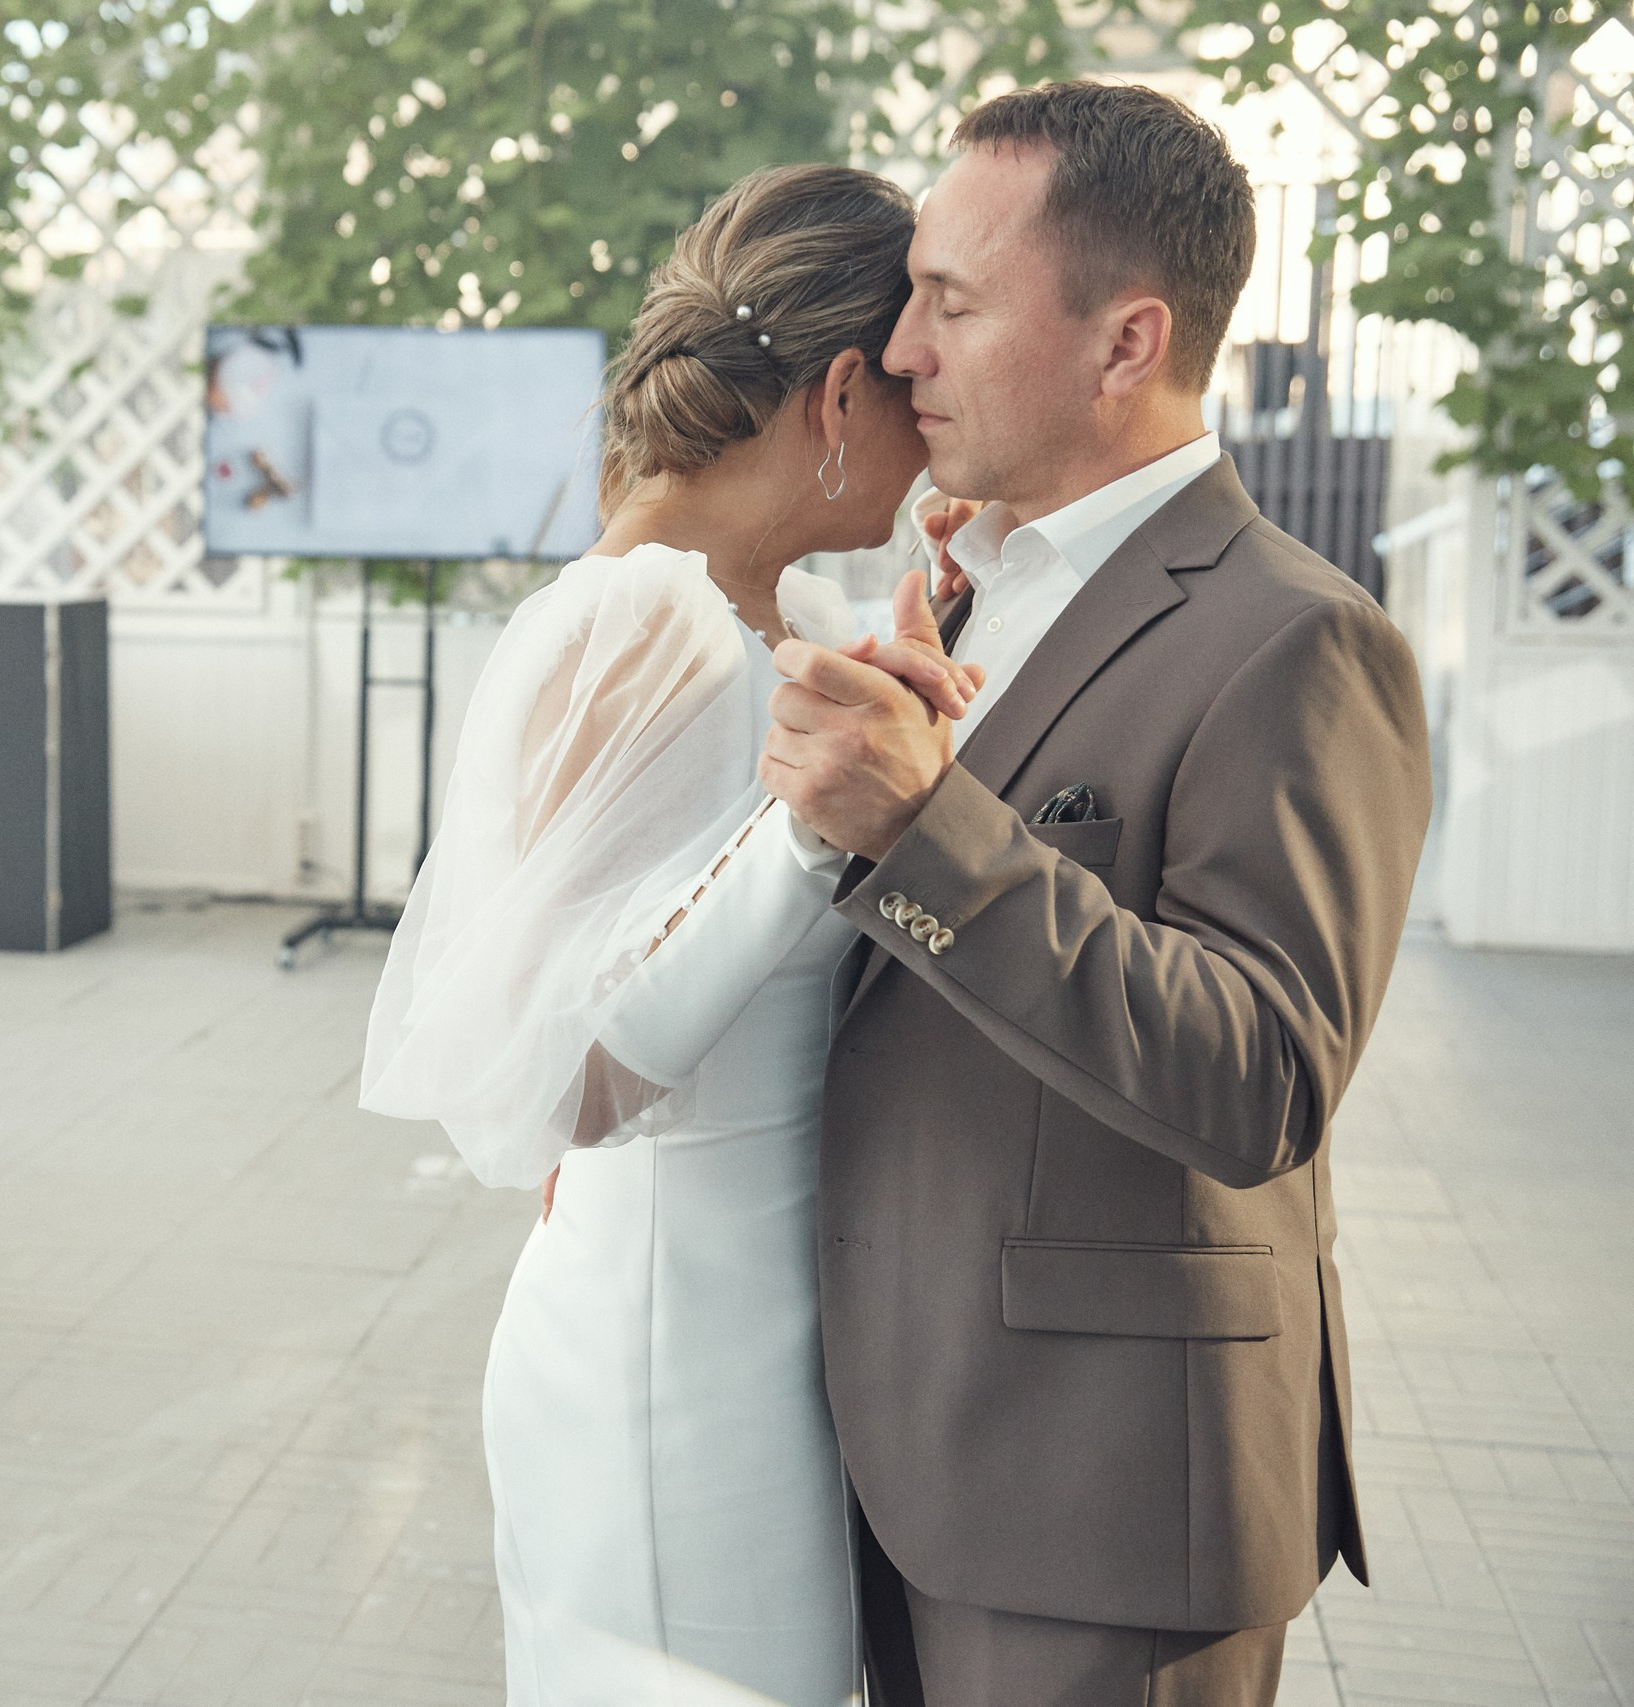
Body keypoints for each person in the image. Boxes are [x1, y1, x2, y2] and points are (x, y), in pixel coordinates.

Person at [689, 83, 1427, 1705]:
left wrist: (930, 824)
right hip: (890, 1452)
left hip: (1099, 1508)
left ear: (1124, 341)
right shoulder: (964, 582)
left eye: (950, 303)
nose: (898, 356)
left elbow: (1264, 1078)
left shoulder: (1299, 640)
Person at [362, 164, 985, 1705]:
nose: (937, 425)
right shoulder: (640, 622)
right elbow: (563, 1072)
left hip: (758, 1343)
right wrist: (806, 833)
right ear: (840, 395)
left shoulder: (768, 615)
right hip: (669, 1373)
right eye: (913, 387)